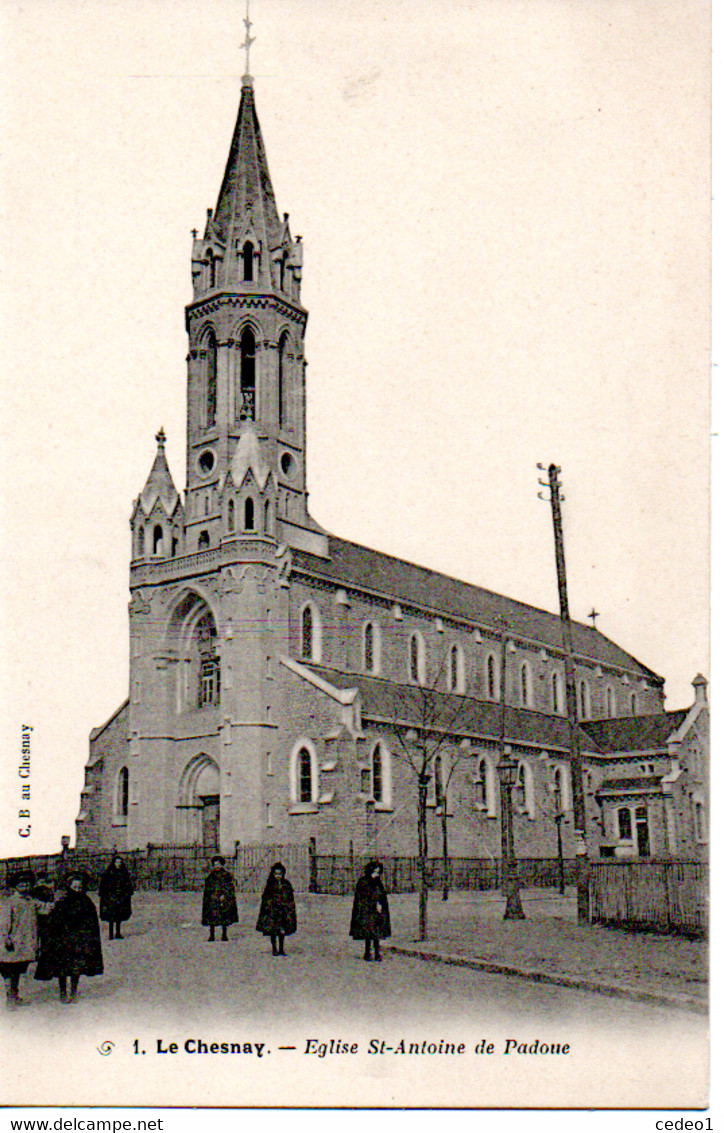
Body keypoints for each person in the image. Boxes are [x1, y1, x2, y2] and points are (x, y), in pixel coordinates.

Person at [34, 872, 103, 1003]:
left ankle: (73, 992)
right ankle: (63, 993)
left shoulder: (86, 902)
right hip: (63, 940)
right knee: (62, 969)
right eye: (74, 887)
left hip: (78, 940)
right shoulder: (62, 901)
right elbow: (53, 920)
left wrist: (87, 938)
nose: (77, 890)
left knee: (76, 968)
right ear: (69, 886)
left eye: (79, 887)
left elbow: (91, 922)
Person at [1, 871, 54, 1010]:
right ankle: (9, 999)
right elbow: (4, 922)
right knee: (9, 970)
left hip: (25, 943)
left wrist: (58, 902)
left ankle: (15, 995)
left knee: (19, 969)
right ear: (15, 886)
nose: (25, 886)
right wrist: (5, 937)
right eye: (21, 884)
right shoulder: (10, 902)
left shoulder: (31, 901)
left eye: (27, 884)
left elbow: (45, 908)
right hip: (12, 942)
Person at [350, 860, 391, 962]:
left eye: (378, 872)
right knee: (368, 933)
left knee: (376, 933)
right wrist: (372, 904)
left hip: (376, 911)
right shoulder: (363, 882)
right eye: (374, 872)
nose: (376, 875)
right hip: (366, 912)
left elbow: (382, 895)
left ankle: (377, 953)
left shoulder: (378, 882)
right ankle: (367, 952)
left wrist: (381, 905)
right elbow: (361, 898)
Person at [256, 863, 297, 956]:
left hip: (283, 911)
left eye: (280, 874)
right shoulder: (270, 885)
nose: (278, 876)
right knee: (273, 930)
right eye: (276, 874)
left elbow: (290, 897)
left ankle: (281, 948)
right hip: (273, 911)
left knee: (282, 930)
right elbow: (266, 898)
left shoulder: (286, 884)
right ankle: (274, 948)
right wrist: (270, 905)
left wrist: (288, 906)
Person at [201, 856, 238, 942]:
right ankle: (212, 935)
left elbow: (229, 887)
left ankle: (224, 934)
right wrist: (210, 897)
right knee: (212, 917)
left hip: (223, 898)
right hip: (213, 899)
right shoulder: (211, 876)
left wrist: (224, 895)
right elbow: (208, 888)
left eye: (219, 864)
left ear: (222, 865)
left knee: (224, 916)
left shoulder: (226, 875)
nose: (217, 866)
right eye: (215, 864)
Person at [98, 855, 134, 940]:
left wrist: (127, 892)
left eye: (120, 862)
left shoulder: (123, 872)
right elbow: (104, 884)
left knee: (119, 915)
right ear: (114, 863)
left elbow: (127, 883)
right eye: (117, 862)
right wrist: (104, 894)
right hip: (111, 897)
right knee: (111, 915)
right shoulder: (109, 872)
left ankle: (118, 933)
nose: (118, 864)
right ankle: (111, 934)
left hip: (120, 897)